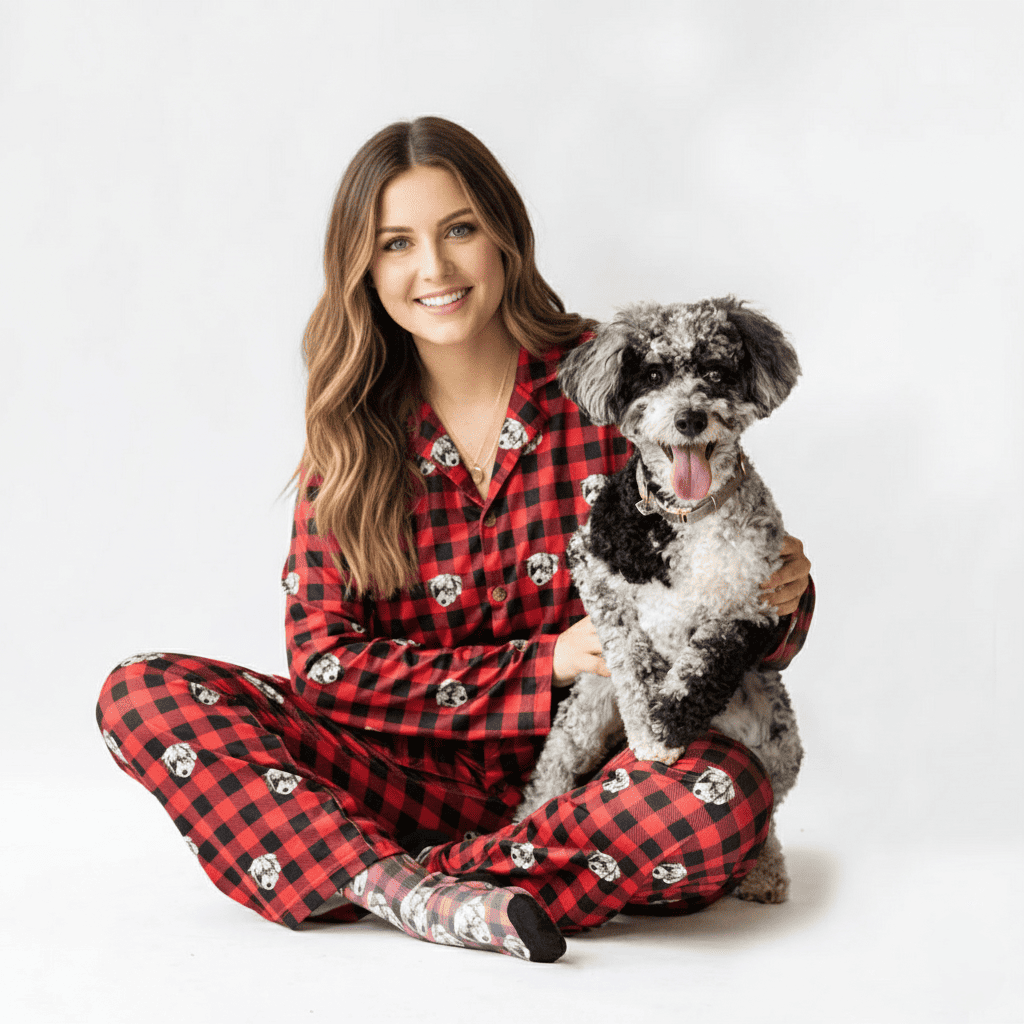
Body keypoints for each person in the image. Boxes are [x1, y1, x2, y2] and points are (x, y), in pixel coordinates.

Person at [96, 116, 814, 964]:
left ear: (505, 238)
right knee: (143, 694)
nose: (433, 269)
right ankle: (442, 888)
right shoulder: (351, 436)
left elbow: (734, 606)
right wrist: (547, 662)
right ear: (365, 270)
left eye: (459, 230)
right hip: (398, 783)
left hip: (601, 783)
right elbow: (324, 669)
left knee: (722, 793)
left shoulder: (618, 376)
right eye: (397, 243)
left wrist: (786, 595)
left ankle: (386, 881)